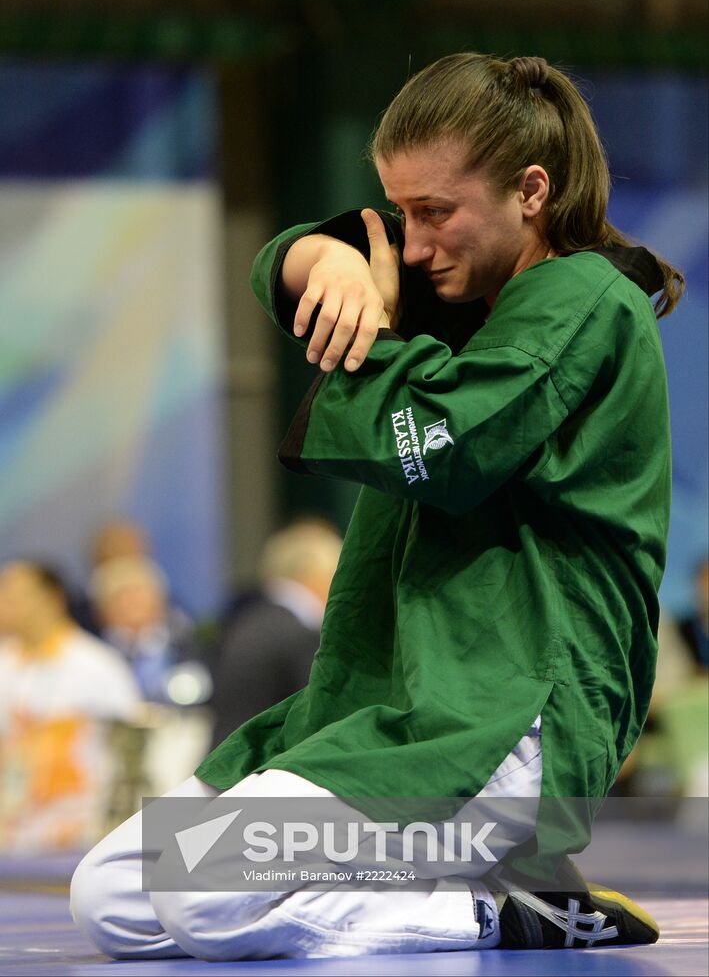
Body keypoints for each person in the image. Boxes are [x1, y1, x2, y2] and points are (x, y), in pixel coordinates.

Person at [71, 53, 684, 958]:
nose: (414, 243)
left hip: (501, 720)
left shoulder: (582, 297)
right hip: (381, 710)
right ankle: (443, 888)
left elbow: (443, 443)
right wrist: (328, 261)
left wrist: (373, 328)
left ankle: (503, 910)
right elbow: (279, 265)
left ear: (530, 191)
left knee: (204, 897)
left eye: (434, 211)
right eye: (397, 212)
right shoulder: (468, 295)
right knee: (111, 896)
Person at [0, 560, 141, 849]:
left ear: (51, 599)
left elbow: (131, 755)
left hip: (80, 831)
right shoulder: (5, 663)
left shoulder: (97, 666)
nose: (5, 603)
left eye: (14, 595)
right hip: (13, 831)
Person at [210, 520, 343, 745]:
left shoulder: (251, 621)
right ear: (315, 575)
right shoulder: (298, 635)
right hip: (264, 766)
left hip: (234, 763)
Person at [90, 555, 207, 705]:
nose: (132, 603)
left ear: (158, 600)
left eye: (139, 593)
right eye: (121, 596)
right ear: (104, 609)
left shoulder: (185, 642)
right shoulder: (94, 653)